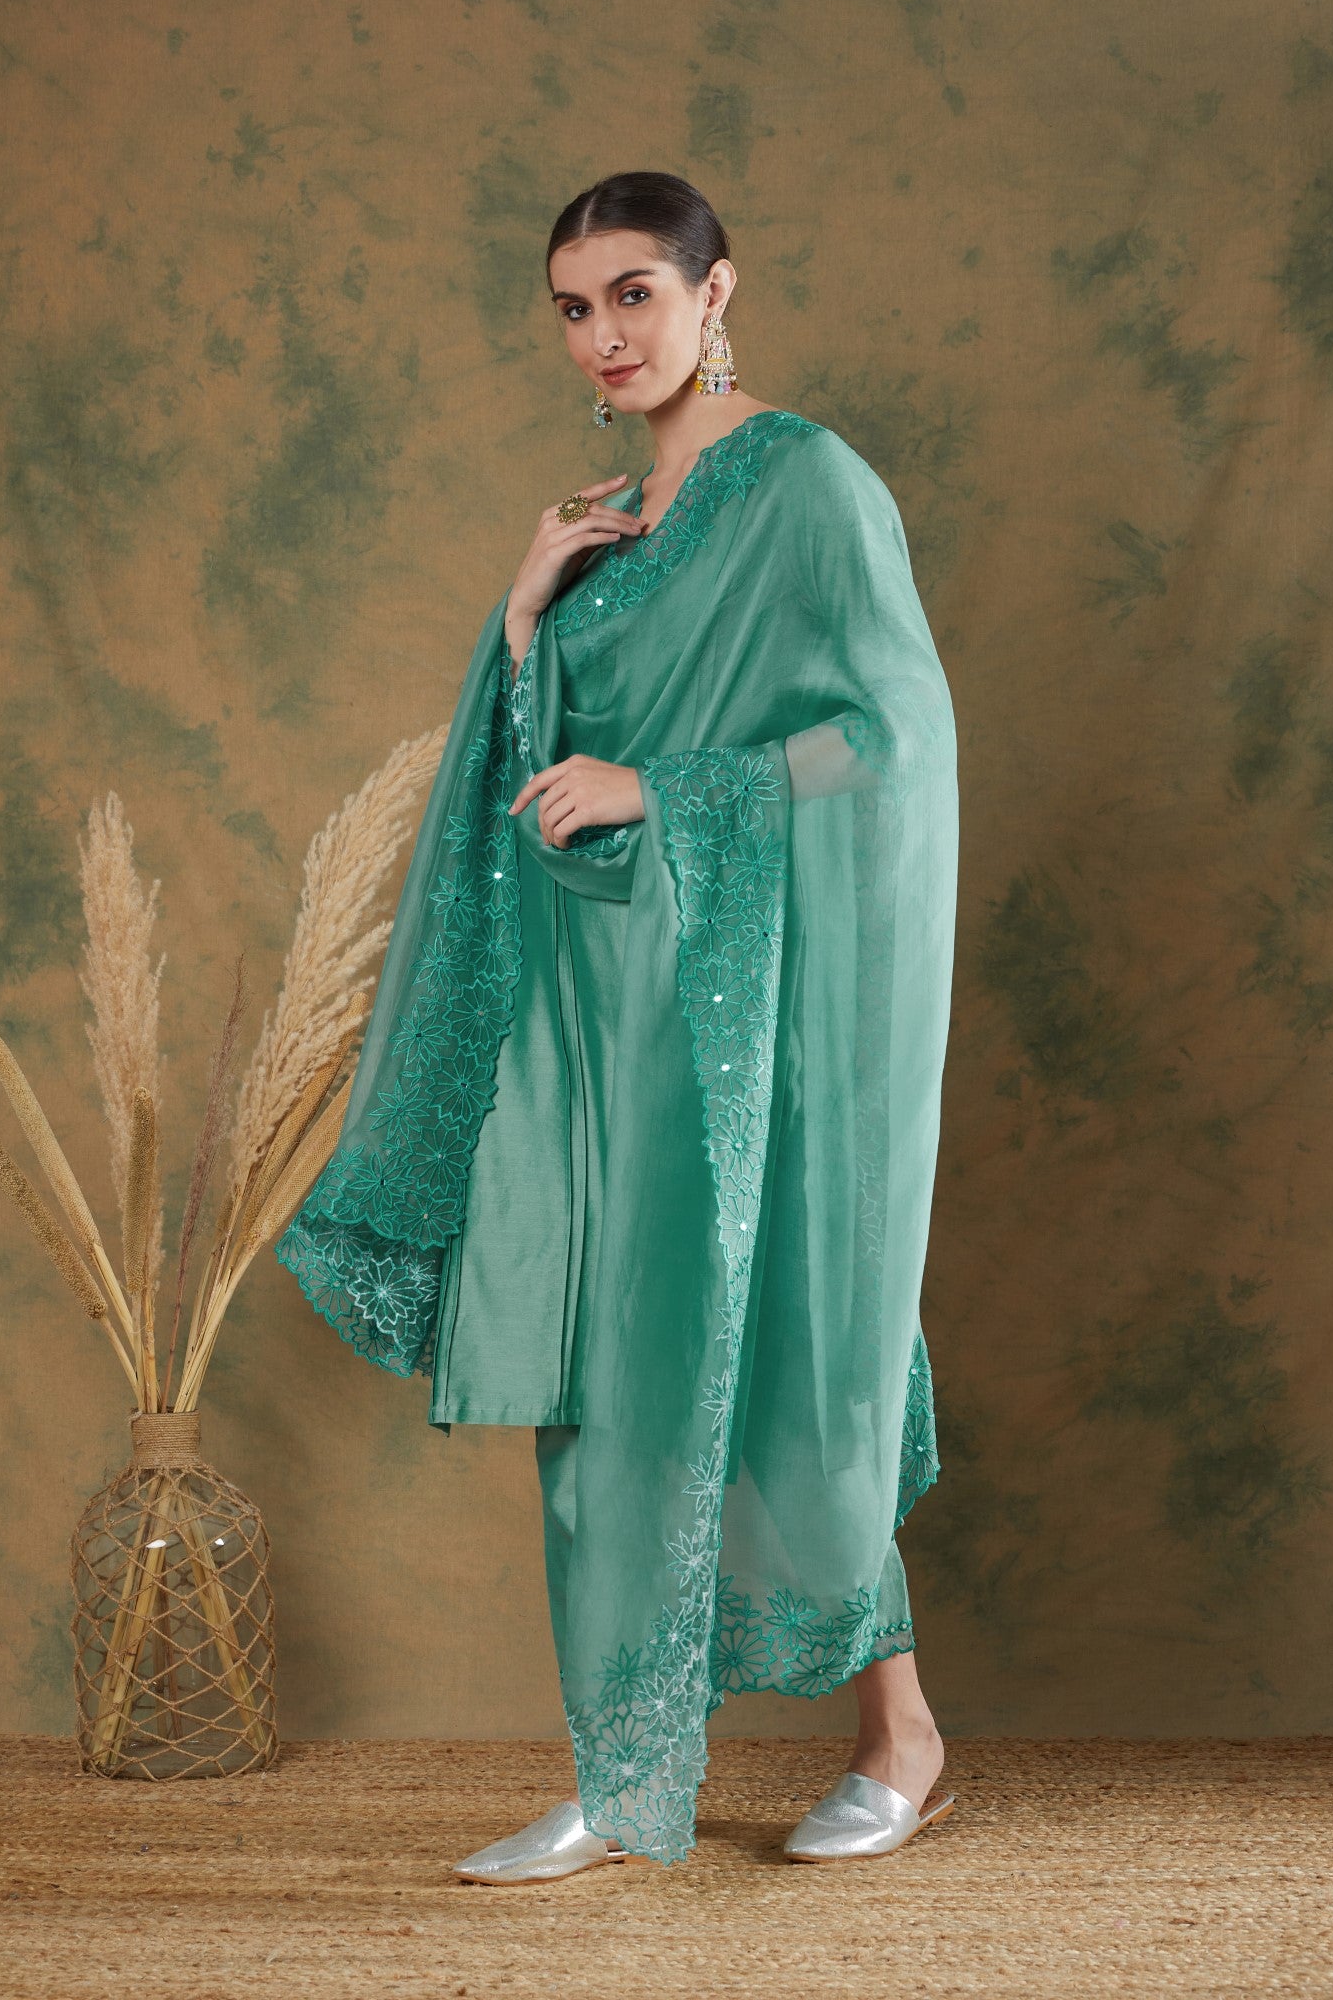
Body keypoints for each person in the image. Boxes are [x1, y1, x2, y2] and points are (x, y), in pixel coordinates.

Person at [275, 169, 960, 1879]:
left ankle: (901, 1735)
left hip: (741, 1012)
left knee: (776, 1356)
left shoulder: (806, 485)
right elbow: (540, 790)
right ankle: (624, 1759)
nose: (603, 336)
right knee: (598, 1370)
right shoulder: (601, 519)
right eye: (574, 308)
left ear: (716, 293)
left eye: (635, 294)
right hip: (587, 1015)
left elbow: (886, 744)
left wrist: (669, 787)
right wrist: (522, 620)